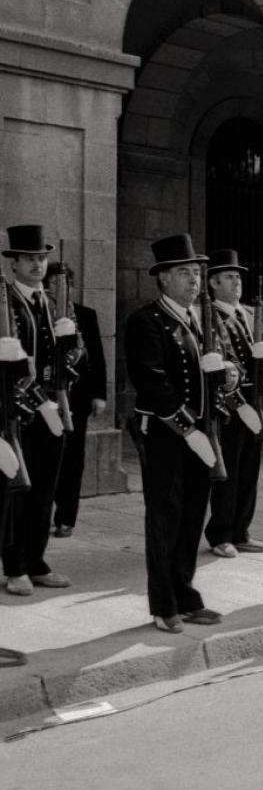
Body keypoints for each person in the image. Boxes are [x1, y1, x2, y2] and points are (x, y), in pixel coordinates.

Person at [125, 233, 236, 631]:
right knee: (164, 518)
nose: (194, 280)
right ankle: (164, 604)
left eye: (196, 273)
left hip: (203, 432)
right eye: (185, 273)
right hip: (166, 433)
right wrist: (188, 429)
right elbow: (152, 382)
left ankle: (185, 594)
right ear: (164, 278)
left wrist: (228, 373)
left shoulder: (202, 318)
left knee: (192, 515)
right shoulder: (146, 321)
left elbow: (225, 364)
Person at [1, 225, 71, 597]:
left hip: (52, 409)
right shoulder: (5, 302)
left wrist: (72, 344)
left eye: (42, 258)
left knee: (45, 487)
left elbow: (74, 360)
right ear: (13, 263)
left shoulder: (54, 302)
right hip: (16, 411)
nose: (38, 265)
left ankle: (36, 560)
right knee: (17, 491)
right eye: (29, 258)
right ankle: (15, 567)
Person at [203, 249, 263, 558]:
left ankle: (241, 531)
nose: (237, 282)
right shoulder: (208, 314)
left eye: (238, 277)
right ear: (214, 282)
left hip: (257, 400)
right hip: (229, 404)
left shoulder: (251, 313)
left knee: (250, 468)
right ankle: (220, 534)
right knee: (229, 470)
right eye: (229, 277)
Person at [44, 262, 106, 540]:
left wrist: (99, 395)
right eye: (55, 282)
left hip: (78, 398)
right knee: (46, 458)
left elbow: (97, 358)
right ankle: (42, 513)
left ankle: (66, 518)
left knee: (73, 459)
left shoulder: (86, 315)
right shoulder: (41, 312)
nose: (61, 288)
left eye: (66, 282)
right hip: (46, 399)